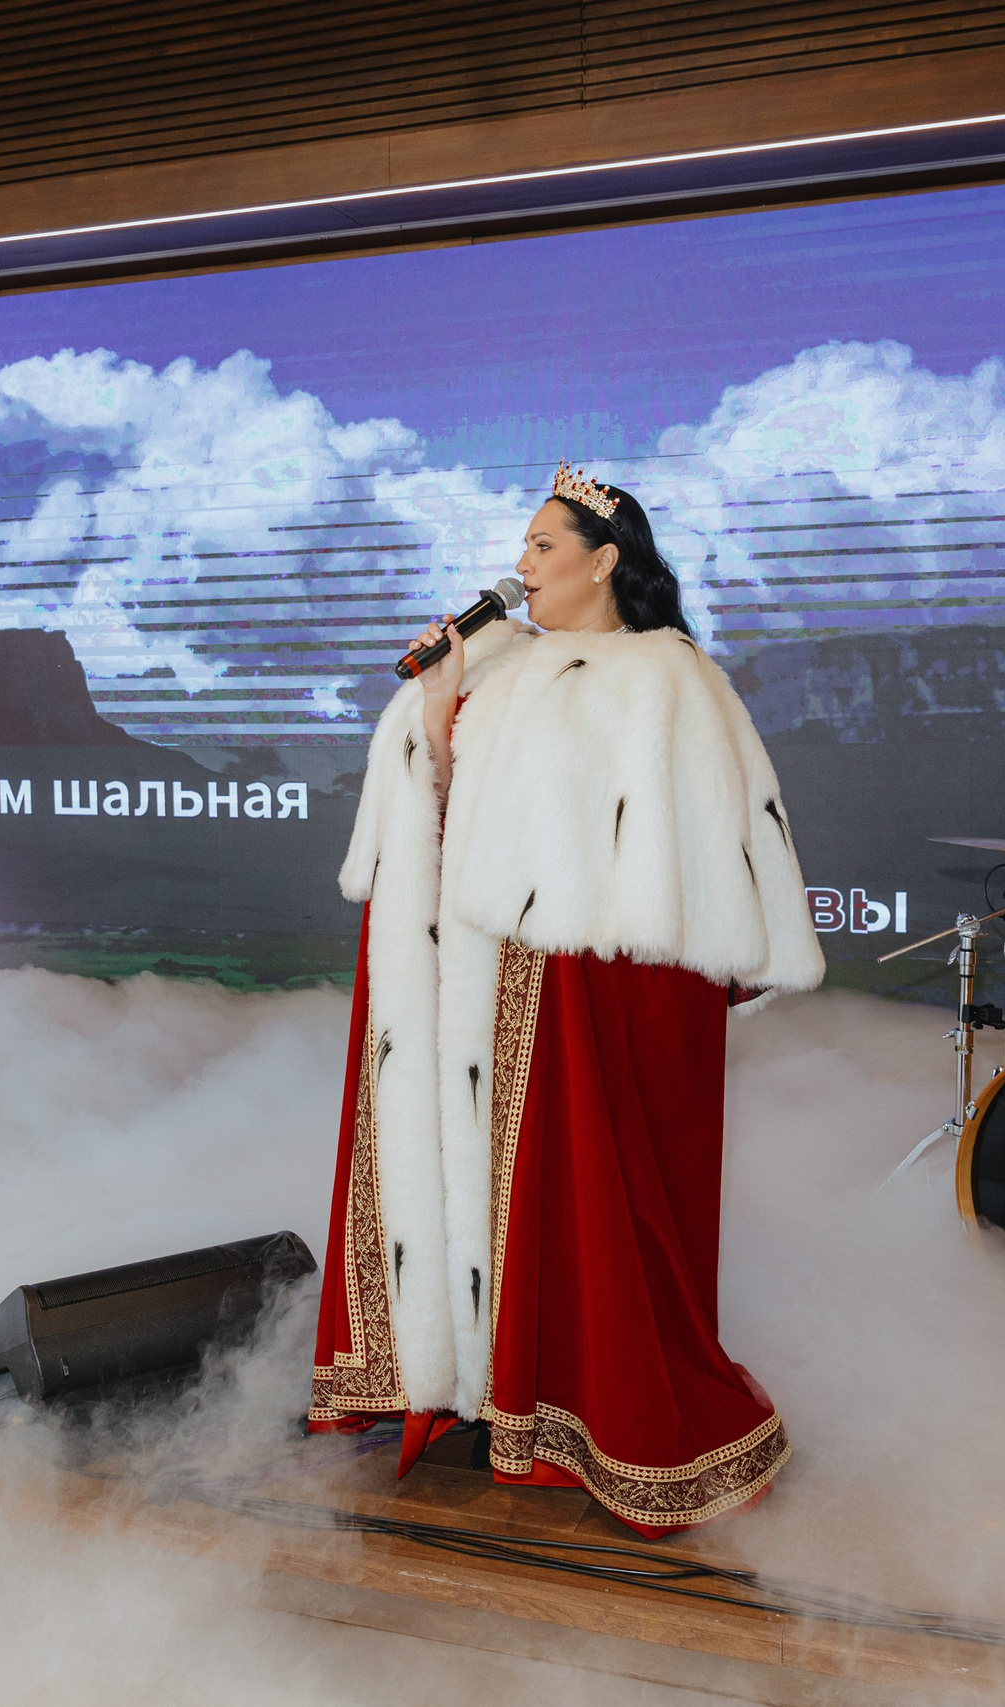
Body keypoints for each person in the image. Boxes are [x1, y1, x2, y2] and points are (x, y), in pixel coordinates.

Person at [308, 463, 825, 1536]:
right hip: (482, 982)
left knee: (584, 1201)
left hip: (585, 994)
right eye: (527, 544)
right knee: (476, 1198)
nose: (524, 564)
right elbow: (454, 813)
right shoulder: (500, 667)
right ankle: (472, 1382)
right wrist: (441, 700)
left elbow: (683, 856)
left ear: (605, 562)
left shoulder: (665, 678)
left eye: (545, 546)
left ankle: (577, 1408)